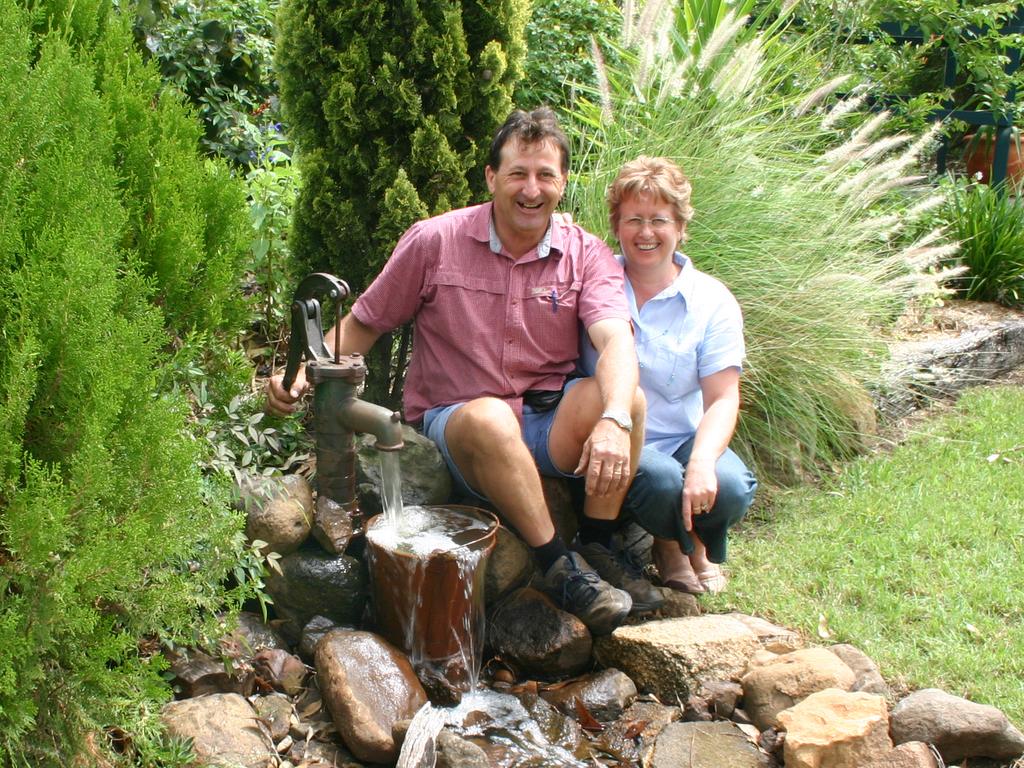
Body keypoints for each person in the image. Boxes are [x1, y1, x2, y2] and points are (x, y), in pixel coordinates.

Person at [266, 108, 661, 634]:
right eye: (518, 173)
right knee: (491, 418)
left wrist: (613, 420)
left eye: (546, 175)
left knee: (626, 401)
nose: (531, 189)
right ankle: (558, 567)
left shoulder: (585, 254)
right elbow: (364, 322)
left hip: (545, 419)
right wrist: (300, 376)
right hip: (461, 423)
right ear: (492, 177)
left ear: (563, 183)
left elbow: (614, 339)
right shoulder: (436, 241)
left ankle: (599, 547)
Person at [579, 156, 757, 595]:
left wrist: (700, 463)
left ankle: (690, 539)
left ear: (680, 226)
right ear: (616, 226)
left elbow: (722, 397)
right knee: (659, 481)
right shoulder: (594, 283)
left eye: (659, 220)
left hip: (682, 436)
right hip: (621, 433)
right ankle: (674, 546)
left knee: (731, 485)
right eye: (633, 220)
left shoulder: (711, 300)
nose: (645, 233)